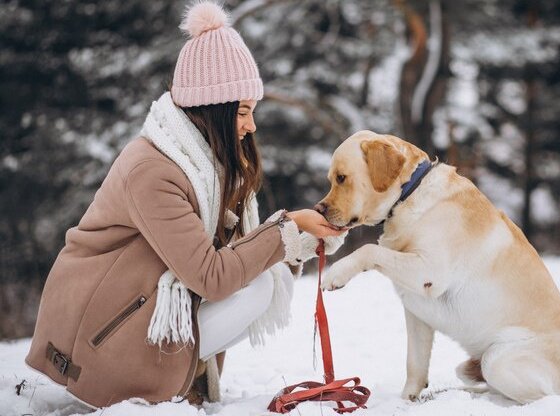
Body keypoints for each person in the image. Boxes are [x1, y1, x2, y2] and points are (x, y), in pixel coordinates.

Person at [24, 1, 346, 409]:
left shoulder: (204, 166)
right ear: (214, 109)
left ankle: (179, 378)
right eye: (243, 112)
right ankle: (142, 384)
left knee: (267, 281)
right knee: (258, 287)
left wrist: (298, 237)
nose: (251, 125)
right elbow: (213, 277)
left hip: (130, 313)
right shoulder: (153, 171)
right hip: (96, 337)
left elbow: (237, 257)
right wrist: (285, 229)